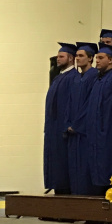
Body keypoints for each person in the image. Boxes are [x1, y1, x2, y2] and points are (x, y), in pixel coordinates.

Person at [77, 43, 112, 196]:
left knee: (109, 169)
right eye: (96, 58)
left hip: (110, 133)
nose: (97, 61)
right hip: (95, 134)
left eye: (101, 58)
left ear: (111, 60)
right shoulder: (97, 80)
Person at [43, 42, 78, 194]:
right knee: (54, 166)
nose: (58, 59)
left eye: (61, 56)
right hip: (53, 130)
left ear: (71, 58)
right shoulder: (58, 78)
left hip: (63, 131)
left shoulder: (73, 78)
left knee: (63, 167)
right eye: (57, 56)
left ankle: (65, 205)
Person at [65, 42, 97, 195]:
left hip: (84, 133)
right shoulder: (76, 79)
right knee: (74, 169)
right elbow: (69, 103)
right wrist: (68, 123)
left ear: (90, 58)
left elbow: (89, 105)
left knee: (84, 169)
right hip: (73, 132)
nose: (77, 59)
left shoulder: (94, 76)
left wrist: (77, 125)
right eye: (76, 56)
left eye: (81, 56)